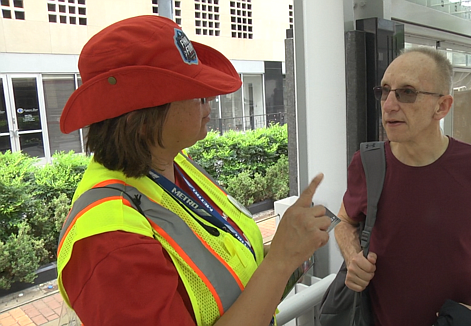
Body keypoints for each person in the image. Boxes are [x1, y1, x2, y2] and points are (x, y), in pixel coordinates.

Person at [56, 15, 331, 326]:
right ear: (142, 121)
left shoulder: (172, 164)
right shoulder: (110, 241)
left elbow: (216, 266)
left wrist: (288, 249)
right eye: (197, 94)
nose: (210, 103)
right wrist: (281, 261)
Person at [334, 47, 471, 326]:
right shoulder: (367, 163)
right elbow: (344, 221)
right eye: (385, 91)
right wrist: (352, 257)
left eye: (407, 93)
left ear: (442, 106)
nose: (389, 105)